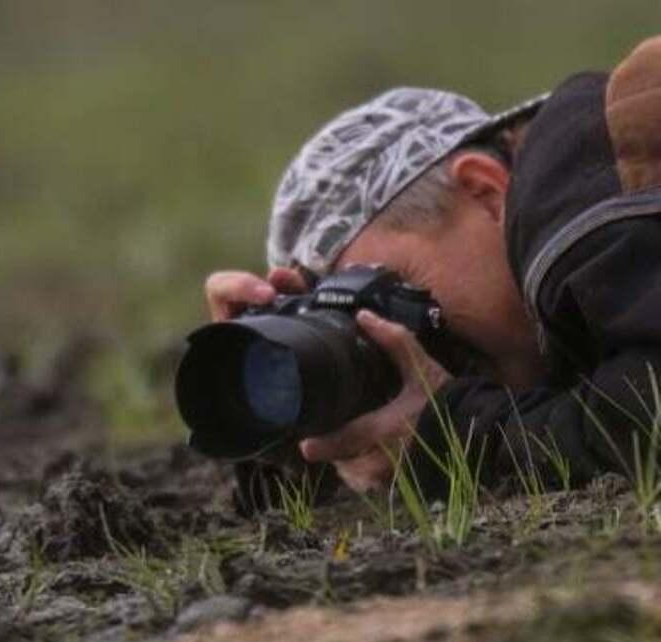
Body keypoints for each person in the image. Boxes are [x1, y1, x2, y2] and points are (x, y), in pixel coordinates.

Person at [204, 35, 661, 503]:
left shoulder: (570, 173)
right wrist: (288, 410)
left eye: (392, 289)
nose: (405, 338)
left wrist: (457, 437)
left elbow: (648, 416)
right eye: (355, 318)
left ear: (485, 193)